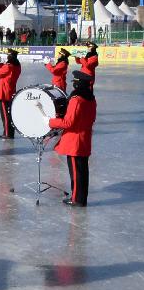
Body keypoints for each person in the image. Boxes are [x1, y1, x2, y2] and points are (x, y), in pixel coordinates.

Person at [45, 71, 97, 206]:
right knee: (82, 171)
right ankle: (81, 198)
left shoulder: (76, 99)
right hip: (84, 138)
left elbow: (68, 123)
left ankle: (76, 199)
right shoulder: (91, 98)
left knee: (76, 172)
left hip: (74, 141)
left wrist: (50, 121)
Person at [0, 48, 21, 139]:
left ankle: (7, 133)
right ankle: (9, 132)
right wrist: (0, 64)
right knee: (9, 114)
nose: (7, 57)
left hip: (4, 93)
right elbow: (5, 68)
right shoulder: (16, 65)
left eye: (8, 55)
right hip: (11, 91)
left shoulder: (8, 66)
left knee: (5, 115)